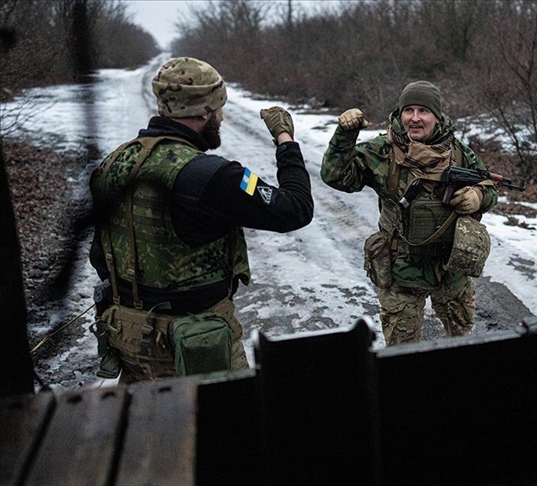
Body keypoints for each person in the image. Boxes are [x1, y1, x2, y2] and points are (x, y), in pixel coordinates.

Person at [89, 57, 313, 382]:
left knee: (149, 427)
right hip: (196, 344)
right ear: (205, 111)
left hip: (130, 340)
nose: (222, 116)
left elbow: (102, 254)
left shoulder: (114, 163)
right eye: (219, 107)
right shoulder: (214, 176)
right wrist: (286, 141)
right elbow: (294, 209)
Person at [321, 80, 498, 345]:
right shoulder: (382, 151)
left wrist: (478, 196)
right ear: (400, 113)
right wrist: (344, 137)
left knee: (463, 345)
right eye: (408, 110)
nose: (415, 118)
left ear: (436, 116)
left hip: (451, 271)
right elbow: (335, 176)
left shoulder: (458, 152)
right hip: (401, 273)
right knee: (401, 356)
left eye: (423, 111)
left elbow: (488, 187)